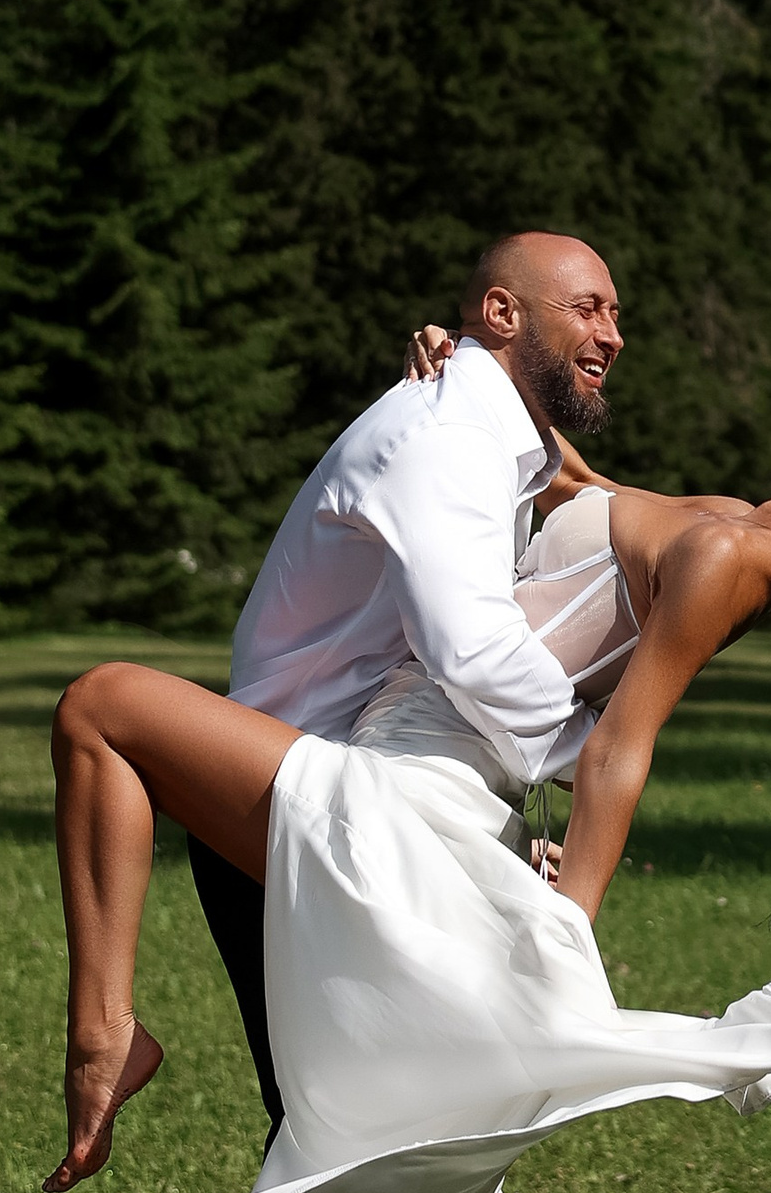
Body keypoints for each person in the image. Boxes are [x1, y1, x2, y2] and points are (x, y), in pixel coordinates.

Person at [40, 317, 771, 1193]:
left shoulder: (733, 561)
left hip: (407, 797)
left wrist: (560, 932)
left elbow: (617, 750)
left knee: (101, 709)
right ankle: (111, 1036)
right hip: (418, 779)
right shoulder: (734, 524)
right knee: (348, 1140)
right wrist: (464, 372)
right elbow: (567, 481)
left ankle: (104, 1036)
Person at [187, 232, 626, 1142]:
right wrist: (600, 759)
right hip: (286, 807)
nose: (613, 334)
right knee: (352, 1129)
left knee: (403, 1119)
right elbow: (471, 650)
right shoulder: (448, 435)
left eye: (616, 314)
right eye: (588, 308)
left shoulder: (491, 436)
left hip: (363, 801)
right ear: (502, 313)